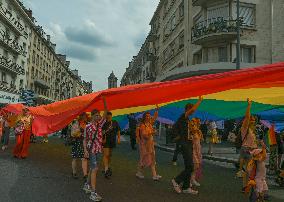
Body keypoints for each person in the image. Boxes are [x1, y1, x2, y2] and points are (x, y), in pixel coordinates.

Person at [171, 96, 202, 195]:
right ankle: (176, 180)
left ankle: (186, 187)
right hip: (184, 144)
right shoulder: (183, 117)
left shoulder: (188, 120)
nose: (193, 112)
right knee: (190, 166)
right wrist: (200, 100)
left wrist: (195, 131)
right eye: (191, 110)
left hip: (188, 144)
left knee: (189, 166)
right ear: (187, 110)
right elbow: (192, 109)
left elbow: (189, 133)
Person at [83, 96, 108, 202]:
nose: (98, 117)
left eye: (99, 115)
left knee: (93, 168)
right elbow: (85, 139)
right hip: (92, 150)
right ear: (92, 116)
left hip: (98, 149)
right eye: (96, 115)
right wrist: (85, 150)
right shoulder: (88, 126)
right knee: (95, 169)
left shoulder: (99, 124)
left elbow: (106, 112)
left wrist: (104, 101)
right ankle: (93, 193)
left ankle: (86, 185)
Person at [237, 99, 258, 192]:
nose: (252, 121)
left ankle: (245, 187)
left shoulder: (253, 130)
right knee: (250, 170)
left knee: (248, 170)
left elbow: (254, 142)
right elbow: (247, 117)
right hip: (246, 150)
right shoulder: (245, 128)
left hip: (251, 151)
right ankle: (249, 187)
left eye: (254, 120)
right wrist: (249, 105)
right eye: (251, 120)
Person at [136, 105, 161, 181]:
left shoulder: (149, 124)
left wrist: (157, 110)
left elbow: (154, 118)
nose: (149, 117)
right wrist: (152, 132)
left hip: (150, 145)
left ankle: (154, 175)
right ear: (144, 117)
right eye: (147, 116)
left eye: (149, 116)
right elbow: (145, 136)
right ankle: (139, 172)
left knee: (152, 159)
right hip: (144, 145)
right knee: (144, 160)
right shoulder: (143, 126)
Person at [102, 111, 120, 179]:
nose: (109, 116)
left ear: (111, 116)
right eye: (107, 115)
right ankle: (106, 169)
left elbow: (118, 130)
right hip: (105, 141)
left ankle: (107, 166)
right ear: (106, 116)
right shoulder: (103, 123)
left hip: (112, 141)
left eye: (110, 115)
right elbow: (101, 132)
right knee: (106, 155)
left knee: (110, 155)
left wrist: (118, 138)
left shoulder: (115, 122)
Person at [190, 118, 203, 187]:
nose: (199, 123)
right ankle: (189, 180)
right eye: (198, 122)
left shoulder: (198, 131)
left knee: (197, 166)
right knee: (195, 165)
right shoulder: (191, 131)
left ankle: (193, 179)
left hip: (198, 150)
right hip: (193, 150)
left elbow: (200, 140)